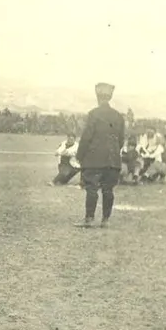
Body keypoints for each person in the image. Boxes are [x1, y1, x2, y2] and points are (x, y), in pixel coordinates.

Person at [75, 83, 125, 228]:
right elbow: (121, 140)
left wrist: (80, 155)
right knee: (108, 189)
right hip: (113, 161)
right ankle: (105, 220)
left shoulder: (93, 114)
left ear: (97, 96)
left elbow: (86, 137)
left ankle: (89, 219)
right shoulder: (118, 116)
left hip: (94, 159)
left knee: (91, 188)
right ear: (110, 97)